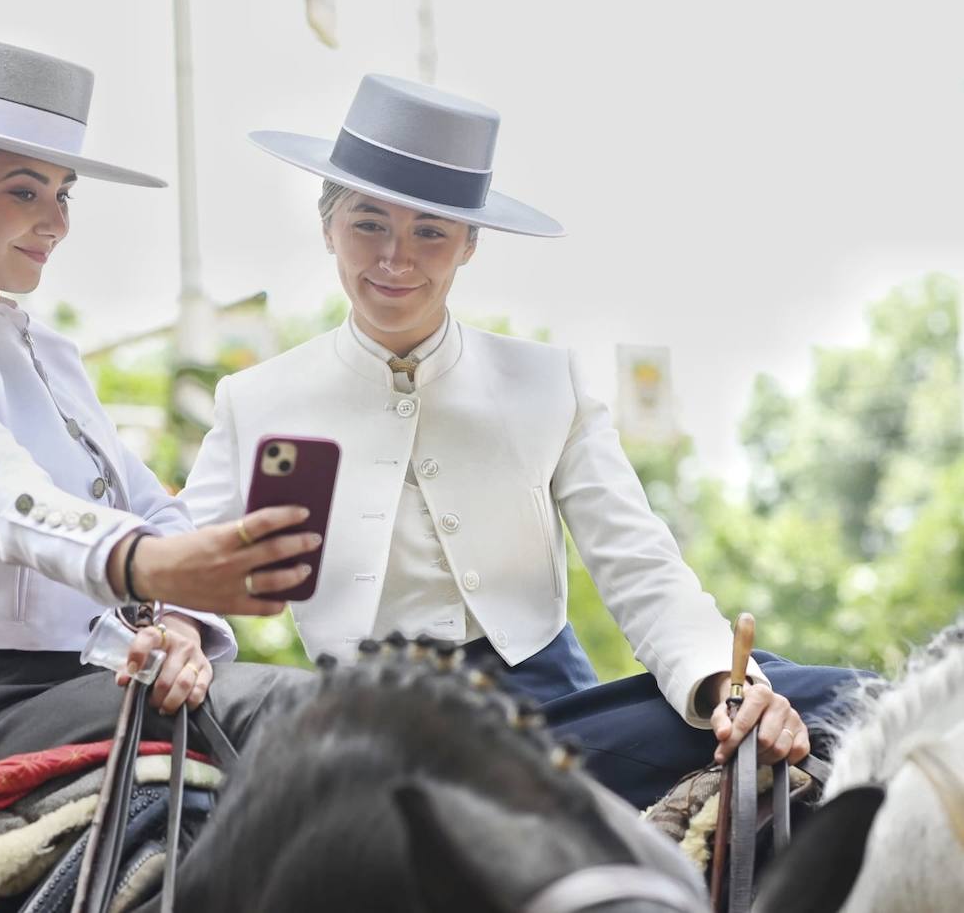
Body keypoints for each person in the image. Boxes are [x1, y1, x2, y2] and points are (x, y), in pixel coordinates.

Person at [181, 74, 864, 809]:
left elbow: (639, 564)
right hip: (371, 729)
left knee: (846, 698)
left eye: (431, 231)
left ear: (470, 243)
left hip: (554, 722)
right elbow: (182, 562)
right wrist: (183, 632)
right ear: (326, 227)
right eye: (368, 222)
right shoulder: (256, 401)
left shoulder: (547, 382)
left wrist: (724, 686)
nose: (395, 258)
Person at [0, 28, 318, 798]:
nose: (57, 221)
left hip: (95, 686)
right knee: (307, 712)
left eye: (64, 191)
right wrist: (144, 563)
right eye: (24, 190)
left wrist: (178, 622)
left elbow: (149, 505)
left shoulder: (45, 346)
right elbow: (1, 494)